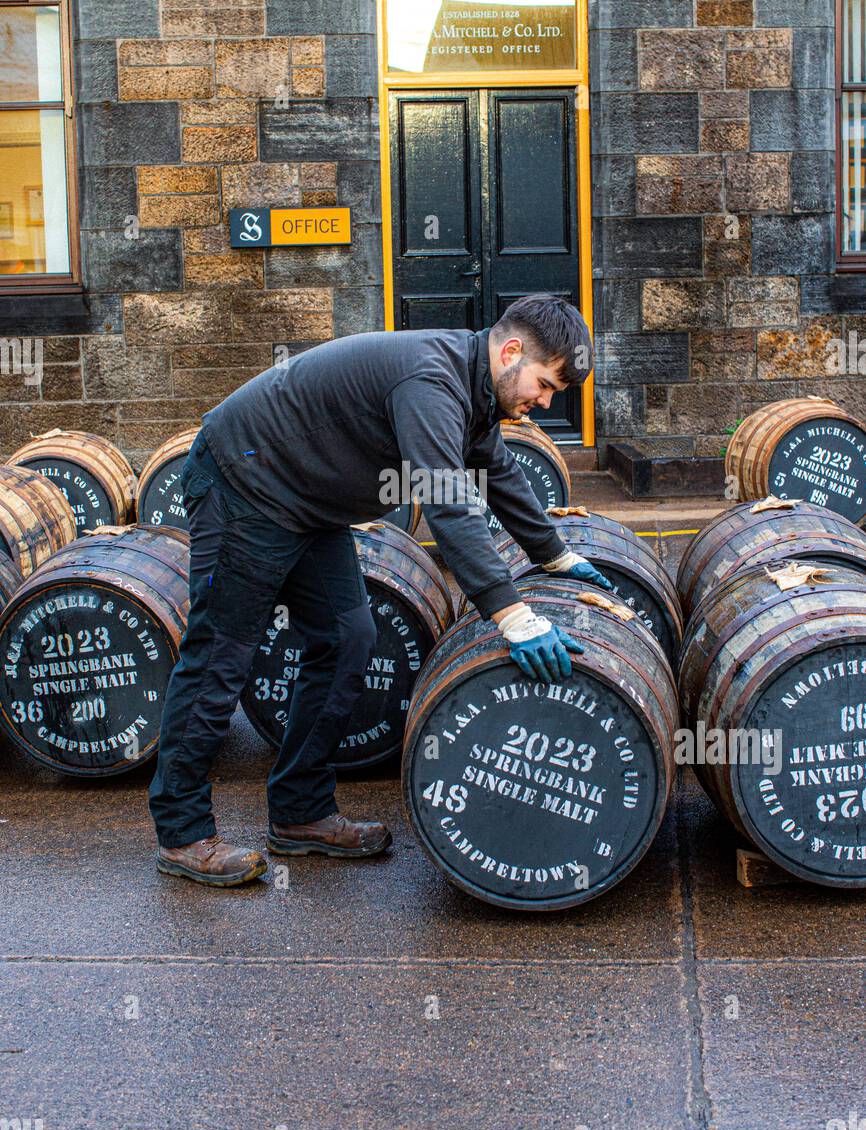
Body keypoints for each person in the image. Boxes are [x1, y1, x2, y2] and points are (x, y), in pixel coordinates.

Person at [148, 293, 612, 886]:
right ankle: (183, 834)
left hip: (308, 504)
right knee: (221, 656)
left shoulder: (473, 391)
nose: (544, 403)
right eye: (545, 385)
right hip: (245, 484)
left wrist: (557, 554)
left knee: (347, 639)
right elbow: (447, 502)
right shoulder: (430, 379)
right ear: (512, 351)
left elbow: (496, 474)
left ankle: (300, 812)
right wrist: (514, 617)